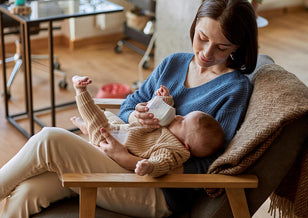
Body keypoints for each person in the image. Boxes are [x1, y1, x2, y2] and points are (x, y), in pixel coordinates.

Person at [0, 0, 257, 217]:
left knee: (49, 139)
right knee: (27, 193)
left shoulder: (234, 89)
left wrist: (130, 159)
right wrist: (136, 115)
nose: (206, 52)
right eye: (202, 38)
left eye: (222, 47)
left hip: (157, 188)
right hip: (115, 160)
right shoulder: (173, 64)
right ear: (195, 26)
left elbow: (214, 164)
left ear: (238, 46)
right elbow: (128, 105)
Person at [72, 75, 225, 177]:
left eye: (182, 121)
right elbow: (158, 112)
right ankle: (87, 127)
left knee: (96, 119)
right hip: (123, 129)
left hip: (112, 142)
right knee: (109, 116)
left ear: (185, 144)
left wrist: (149, 167)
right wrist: (163, 99)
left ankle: (80, 91)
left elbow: (162, 163)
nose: (178, 116)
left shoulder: (173, 149)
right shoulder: (168, 127)